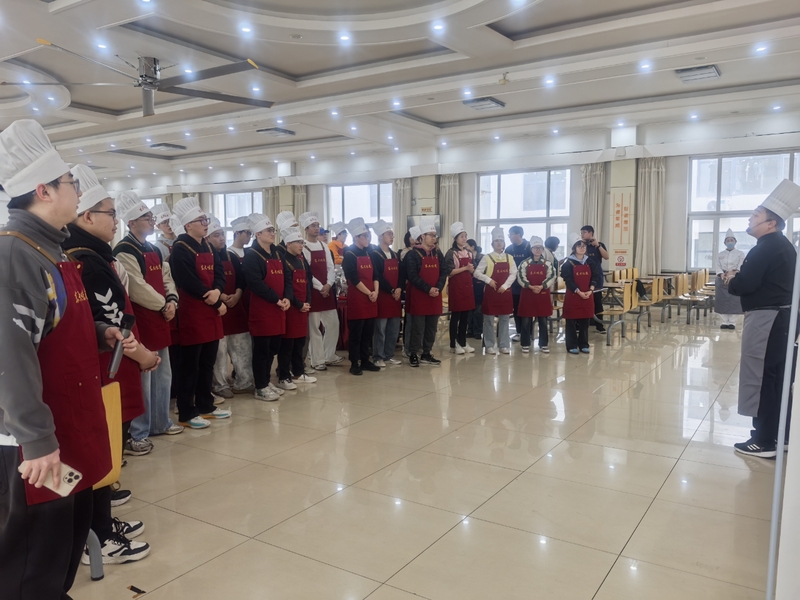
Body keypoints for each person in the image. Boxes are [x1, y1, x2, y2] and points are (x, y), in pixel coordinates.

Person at [0, 119, 121, 598]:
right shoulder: (14, 255)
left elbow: (53, 326)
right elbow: (10, 357)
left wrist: (100, 333)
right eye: (70, 182)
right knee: (32, 568)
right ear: (43, 190)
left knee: (62, 557)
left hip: (69, 428)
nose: (77, 190)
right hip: (38, 445)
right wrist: (37, 440)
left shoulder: (53, 251)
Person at [63, 165, 155, 564]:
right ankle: (98, 537)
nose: (115, 220)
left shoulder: (90, 254)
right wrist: (144, 355)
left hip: (106, 362)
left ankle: (101, 525)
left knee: (103, 449)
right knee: (99, 448)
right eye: (110, 213)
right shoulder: (87, 259)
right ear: (86, 216)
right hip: (105, 367)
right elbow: (112, 320)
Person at [728, 179, 800, 458]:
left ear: (771, 223)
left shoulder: (766, 247)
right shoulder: (783, 246)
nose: (750, 219)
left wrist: (733, 280)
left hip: (768, 319)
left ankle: (763, 440)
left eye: (755, 215)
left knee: (761, 378)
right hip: (783, 318)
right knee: (778, 378)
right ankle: (781, 435)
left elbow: (745, 284)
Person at [114, 191, 183, 452]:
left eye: (152, 217)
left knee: (163, 375)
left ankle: (160, 422)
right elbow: (136, 288)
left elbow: (167, 278)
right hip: (142, 320)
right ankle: (139, 432)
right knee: (144, 379)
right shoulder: (124, 251)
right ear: (131, 223)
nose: (152, 221)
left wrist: (172, 301)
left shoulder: (153, 249)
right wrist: (163, 305)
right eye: (147, 218)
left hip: (161, 318)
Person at [170, 197, 232, 428]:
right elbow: (187, 281)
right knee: (190, 366)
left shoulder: (208, 246)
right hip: (193, 313)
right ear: (188, 225)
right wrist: (213, 299)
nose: (206, 224)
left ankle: (206, 405)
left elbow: (219, 272)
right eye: (201, 221)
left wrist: (218, 290)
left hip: (211, 312)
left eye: (206, 220)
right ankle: (187, 412)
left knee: (208, 362)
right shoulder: (180, 248)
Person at [206, 217, 254, 397]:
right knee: (219, 352)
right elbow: (205, 282)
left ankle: (244, 381)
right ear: (207, 238)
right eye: (216, 235)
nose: (221, 238)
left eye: (222, 234)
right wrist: (221, 296)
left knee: (242, 348)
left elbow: (242, 279)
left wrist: (238, 294)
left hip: (235, 308)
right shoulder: (205, 257)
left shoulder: (230, 256)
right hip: (216, 309)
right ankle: (220, 385)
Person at [243, 214, 288, 402]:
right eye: (269, 231)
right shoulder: (251, 256)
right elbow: (255, 283)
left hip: (279, 309)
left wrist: (287, 298)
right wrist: (276, 299)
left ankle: (267, 381)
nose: (272, 233)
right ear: (258, 234)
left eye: (273, 230)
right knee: (262, 350)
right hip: (263, 309)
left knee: (273, 348)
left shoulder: (277, 252)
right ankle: (260, 386)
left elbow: (287, 277)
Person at [275, 226, 317, 389]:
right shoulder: (283, 260)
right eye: (298, 242)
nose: (301, 245)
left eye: (302, 242)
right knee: (287, 345)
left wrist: (307, 302)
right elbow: (287, 287)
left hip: (303, 308)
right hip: (291, 308)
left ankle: (298, 372)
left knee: (299, 343)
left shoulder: (301, 260)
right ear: (288, 243)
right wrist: (299, 305)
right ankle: (284, 376)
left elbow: (307, 283)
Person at [301, 211, 342, 371]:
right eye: (313, 226)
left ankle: (329, 354)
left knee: (333, 324)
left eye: (317, 225)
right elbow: (307, 272)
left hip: (327, 291)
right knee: (314, 328)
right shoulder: (303, 247)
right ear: (306, 229)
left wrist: (329, 284)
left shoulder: (324, 246)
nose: (316, 228)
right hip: (314, 292)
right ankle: (317, 360)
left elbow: (331, 267)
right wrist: (320, 287)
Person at [404, 216, 447, 367]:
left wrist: (438, 288)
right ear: (422, 236)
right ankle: (413, 353)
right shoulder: (413, 254)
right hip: (420, 295)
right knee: (417, 328)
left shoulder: (438, 253)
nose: (434, 238)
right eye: (431, 235)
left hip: (435, 296)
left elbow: (444, 272)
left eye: (435, 236)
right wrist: (428, 289)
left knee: (431, 328)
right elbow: (412, 276)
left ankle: (426, 353)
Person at [343, 218, 381, 375]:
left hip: (371, 298)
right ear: (356, 237)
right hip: (358, 299)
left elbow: (376, 275)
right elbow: (353, 278)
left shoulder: (369, 252)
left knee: (367, 334)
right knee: (356, 334)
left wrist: (376, 292)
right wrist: (369, 292)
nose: (368, 238)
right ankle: (354, 363)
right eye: (365, 236)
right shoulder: (349, 254)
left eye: (368, 235)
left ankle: (365, 360)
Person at [476, 227, 517, 355]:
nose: (499, 243)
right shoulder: (487, 257)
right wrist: (488, 280)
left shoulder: (510, 258)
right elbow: (477, 273)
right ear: (492, 244)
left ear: (504, 243)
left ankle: (504, 345)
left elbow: (513, 273)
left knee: (504, 319)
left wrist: (505, 286)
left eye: (501, 241)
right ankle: (489, 345)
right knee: (488, 320)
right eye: (496, 241)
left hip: (505, 292)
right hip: (491, 292)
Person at [371, 219, 404, 367]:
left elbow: (402, 274)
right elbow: (377, 276)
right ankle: (378, 356)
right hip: (383, 296)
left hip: (395, 297)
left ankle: (389, 355)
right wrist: (391, 290)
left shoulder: (395, 254)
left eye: (392, 234)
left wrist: (399, 288)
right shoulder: (374, 254)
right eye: (389, 234)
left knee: (393, 329)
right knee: (380, 329)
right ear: (380, 236)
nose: (392, 237)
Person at [561, 236, 602, 354]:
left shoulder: (590, 261)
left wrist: (591, 290)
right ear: (574, 248)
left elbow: (595, 276)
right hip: (574, 295)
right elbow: (568, 281)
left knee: (585, 320)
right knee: (571, 321)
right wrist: (579, 292)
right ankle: (571, 345)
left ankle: (584, 344)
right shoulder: (568, 263)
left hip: (588, 294)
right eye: (579, 246)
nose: (582, 248)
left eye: (584, 246)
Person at [517, 236, 556, 354]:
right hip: (528, 294)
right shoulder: (524, 263)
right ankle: (525, 343)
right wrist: (529, 286)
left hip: (542, 294)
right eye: (535, 248)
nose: (537, 250)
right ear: (531, 249)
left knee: (543, 320)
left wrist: (542, 286)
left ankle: (543, 344)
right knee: (526, 321)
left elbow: (552, 276)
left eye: (540, 248)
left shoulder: (548, 263)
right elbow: (520, 277)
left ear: (543, 249)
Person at [444, 222, 476, 354]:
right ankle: (453, 344)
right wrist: (466, 268)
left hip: (467, 288)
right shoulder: (450, 253)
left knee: (465, 317)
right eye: (461, 236)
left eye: (465, 236)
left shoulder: (469, 253)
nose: (464, 238)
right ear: (455, 238)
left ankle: (463, 341)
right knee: (455, 317)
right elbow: (449, 271)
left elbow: (472, 269)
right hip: (456, 288)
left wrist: (471, 270)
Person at [505, 225, 531, 344]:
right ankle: (519, 332)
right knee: (516, 309)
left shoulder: (529, 247)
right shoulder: (509, 249)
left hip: (528, 285)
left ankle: (528, 333)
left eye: (511, 234)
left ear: (518, 235)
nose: (509, 237)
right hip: (514, 285)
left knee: (527, 309)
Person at [580, 225, 609, 333]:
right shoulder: (580, 245)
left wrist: (598, 246)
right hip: (583, 276)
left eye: (584, 232)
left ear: (591, 233)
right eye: (581, 233)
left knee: (597, 301)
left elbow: (606, 257)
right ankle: (581, 324)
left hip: (597, 277)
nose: (582, 235)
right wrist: (582, 245)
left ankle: (599, 325)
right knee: (582, 300)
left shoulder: (599, 245)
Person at [716, 228, 745, 330]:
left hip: (735, 277)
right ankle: (724, 321)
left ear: (735, 242)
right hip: (722, 278)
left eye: (731, 240)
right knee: (722, 300)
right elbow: (717, 266)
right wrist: (722, 274)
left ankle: (732, 322)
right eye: (728, 240)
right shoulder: (720, 254)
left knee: (734, 300)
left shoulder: (740, 253)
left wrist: (733, 273)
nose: (730, 242)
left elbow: (741, 265)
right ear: (725, 243)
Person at [466, 239, 485, 339]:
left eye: (466, 247)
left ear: (472, 247)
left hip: (480, 285)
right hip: (469, 285)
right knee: (470, 309)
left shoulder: (482, 258)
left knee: (478, 310)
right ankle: (470, 330)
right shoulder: (466, 257)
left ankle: (478, 331)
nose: (465, 249)